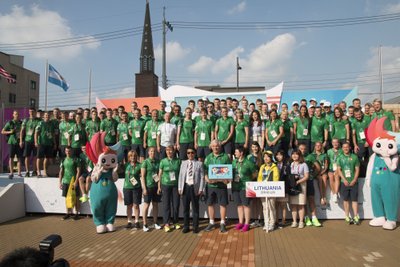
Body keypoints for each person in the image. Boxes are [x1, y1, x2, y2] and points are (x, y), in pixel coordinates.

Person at [204, 140, 231, 233]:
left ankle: (222, 223)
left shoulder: (225, 157)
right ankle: (211, 222)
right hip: (211, 185)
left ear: (220, 146)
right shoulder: (208, 158)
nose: (215, 148)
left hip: (221, 185)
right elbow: (204, 171)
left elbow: (229, 171)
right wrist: (207, 179)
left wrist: (227, 179)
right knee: (210, 204)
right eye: (213, 146)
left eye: (217, 146)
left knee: (222, 204)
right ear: (211, 147)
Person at [178, 148, 205, 233]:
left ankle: (195, 227)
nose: (190, 154)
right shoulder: (183, 163)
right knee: (185, 209)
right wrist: (179, 187)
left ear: (195, 153)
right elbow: (180, 176)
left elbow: (202, 177)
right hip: (185, 187)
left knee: (195, 209)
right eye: (188, 153)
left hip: (195, 188)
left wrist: (201, 189)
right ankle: (186, 226)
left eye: (192, 153)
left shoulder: (199, 164)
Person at [232, 147, 257, 232]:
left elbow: (255, 173)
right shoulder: (234, 162)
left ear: (241, 153)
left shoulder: (249, 162)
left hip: (245, 187)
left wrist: (248, 180)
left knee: (246, 205)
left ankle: (247, 223)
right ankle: (240, 222)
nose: (235, 154)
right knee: (239, 205)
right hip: (235, 186)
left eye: (236, 152)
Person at [158, 146, 181, 232]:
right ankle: (167, 223)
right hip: (165, 185)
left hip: (175, 185)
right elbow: (159, 174)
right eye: (167, 150)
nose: (169, 152)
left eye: (171, 150)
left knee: (176, 205)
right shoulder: (163, 161)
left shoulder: (178, 161)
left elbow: (181, 174)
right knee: (166, 205)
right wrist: (159, 186)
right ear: (166, 152)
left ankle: (176, 222)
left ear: (173, 151)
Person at [298, 143, 322, 227]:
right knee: (302, 201)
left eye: (304, 149)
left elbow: (318, 167)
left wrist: (313, 175)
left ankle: (314, 218)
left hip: (309, 180)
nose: (303, 150)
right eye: (301, 149)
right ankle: (306, 218)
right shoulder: (296, 156)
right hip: (300, 182)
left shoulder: (310, 156)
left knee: (311, 199)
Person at [337, 142, 361, 225]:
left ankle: (355, 216)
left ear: (350, 147)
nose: (345, 148)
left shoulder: (354, 157)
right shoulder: (340, 157)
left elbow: (357, 169)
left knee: (354, 200)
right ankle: (347, 216)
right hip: (344, 182)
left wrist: (354, 179)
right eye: (344, 147)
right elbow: (339, 170)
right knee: (346, 200)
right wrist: (344, 180)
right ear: (342, 148)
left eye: (347, 147)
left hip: (354, 182)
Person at [140, 147, 162, 232]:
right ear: (148, 152)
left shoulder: (158, 162)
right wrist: (144, 188)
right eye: (151, 151)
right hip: (148, 187)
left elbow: (158, 175)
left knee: (155, 204)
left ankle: (155, 222)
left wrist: (159, 186)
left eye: (154, 151)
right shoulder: (145, 162)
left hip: (155, 187)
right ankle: (145, 224)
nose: (153, 153)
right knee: (146, 205)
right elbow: (142, 177)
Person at [258, 150, 280, 232]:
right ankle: (266, 223)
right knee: (265, 207)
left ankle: (272, 223)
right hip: (263, 190)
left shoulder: (274, 167)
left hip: (271, 190)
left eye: (268, 157)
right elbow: (259, 178)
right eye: (264, 157)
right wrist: (260, 186)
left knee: (271, 207)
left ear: (271, 158)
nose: (266, 158)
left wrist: (271, 187)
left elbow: (276, 178)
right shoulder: (262, 167)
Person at [58, 146, 80, 220]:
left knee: (76, 197)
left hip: (73, 182)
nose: (68, 152)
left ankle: (76, 213)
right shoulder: (63, 160)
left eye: (69, 151)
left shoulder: (75, 159)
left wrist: (76, 181)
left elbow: (78, 171)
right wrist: (60, 182)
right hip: (65, 181)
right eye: (67, 151)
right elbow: (61, 171)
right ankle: (68, 213)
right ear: (65, 151)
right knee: (67, 198)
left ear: (71, 151)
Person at [289, 150, 309, 229]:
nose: (294, 156)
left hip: (301, 185)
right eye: (293, 154)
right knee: (293, 204)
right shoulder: (291, 164)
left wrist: (298, 181)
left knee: (301, 205)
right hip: (293, 186)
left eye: (296, 154)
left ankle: (301, 221)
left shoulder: (304, 164)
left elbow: (306, 176)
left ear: (300, 156)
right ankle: (294, 221)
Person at [123, 150, 142, 229]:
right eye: (131, 156)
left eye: (134, 156)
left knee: (136, 205)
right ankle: (129, 221)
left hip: (136, 188)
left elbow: (143, 174)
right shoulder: (126, 165)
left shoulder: (139, 165)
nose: (133, 157)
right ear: (129, 157)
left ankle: (137, 221)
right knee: (129, 206)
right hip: (127, 187)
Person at [1, 110, 22, 179]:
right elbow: (2, 131)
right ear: (13, 115)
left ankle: (19, 173)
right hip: (11, 142)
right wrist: (10, 131)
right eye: (15, 114)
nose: (17, 115)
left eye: (18, 114)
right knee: (11, 158)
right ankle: (11, 173)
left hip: (19, 142)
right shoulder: (10, 123)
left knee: (19, 158)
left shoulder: (20, 123)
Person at [34, 112, 56, 177]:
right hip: (41, 143)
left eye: (48, 115)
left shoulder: (51, 124)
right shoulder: (40, 123)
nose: (47, 116)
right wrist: (36, 142)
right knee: (39, 158)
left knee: (47, 158)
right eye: (46, 115)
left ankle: (45, 171)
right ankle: (38, 171)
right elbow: (36, 133)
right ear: (43, 116)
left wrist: (54, 143)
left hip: (49, 143)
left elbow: (53, 134)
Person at [20, 108, 39, 177]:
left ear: (35, 112)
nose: (31, 113)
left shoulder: (38, 120)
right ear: (28, 112)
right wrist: (21, 141)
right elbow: (22, 131)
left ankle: (34, 171)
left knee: (35, 157)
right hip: (27, 140)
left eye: (33, 111)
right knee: (27, 156)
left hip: (35, 141)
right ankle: (27, 171)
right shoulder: (26, 120)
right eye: (30, 111)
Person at [275, 150, 290, 227]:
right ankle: (276, 220)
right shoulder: (274, 164)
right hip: (275, 187)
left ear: (283, 156)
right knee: (276, 204)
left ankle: (283, 220)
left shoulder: (287, 165)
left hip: (284, 187)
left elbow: (288, 176)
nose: (278, 156)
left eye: (280, 155)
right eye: (277, 155)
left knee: (283, 205)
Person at [327, 138, 343, 203]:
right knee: (330, 176)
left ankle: (336, 193)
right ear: (332, 143)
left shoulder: (341, 151)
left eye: (336, 142)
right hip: (331, 167)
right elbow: (327, 161)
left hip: (339, 168)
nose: (335, 144)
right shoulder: (329, 151)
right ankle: (334, 194)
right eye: (334, 142)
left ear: (338, 143)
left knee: (336, 176)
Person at [313, 141, 329, 207]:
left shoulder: (324, 155)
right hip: (316, 172)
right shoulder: (312, 155)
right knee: (320, 178)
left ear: (321, 146)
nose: (318, 146)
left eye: (319, 145)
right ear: (314, 147)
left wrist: (323, 171)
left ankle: (324, 196)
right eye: (316, 145)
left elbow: (326, 165)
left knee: (324, 178)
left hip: (323, 171)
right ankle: (321, 197)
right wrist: (317, 173)